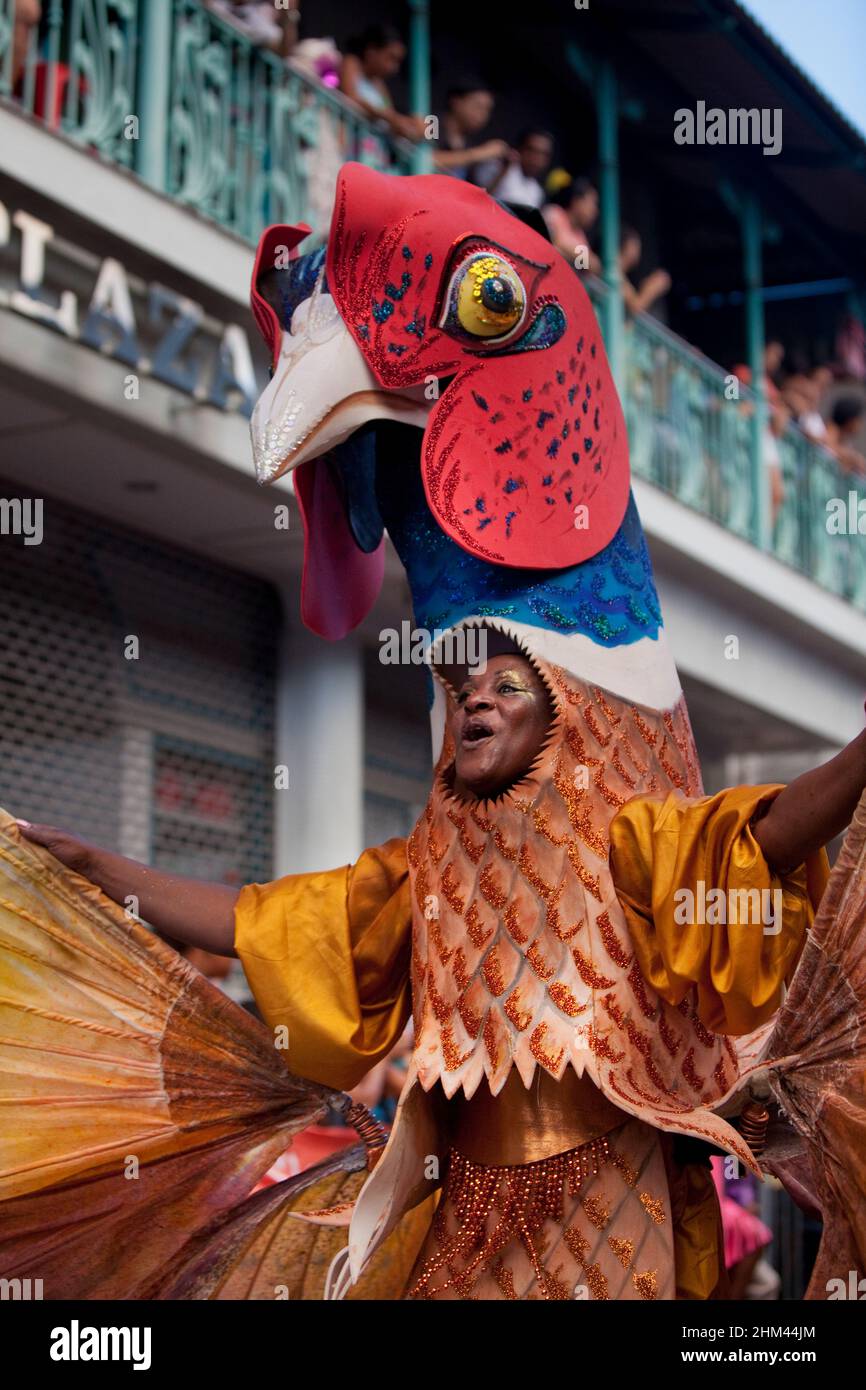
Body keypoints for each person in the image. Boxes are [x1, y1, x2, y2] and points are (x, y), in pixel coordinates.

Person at [16, 634, 866, 1299]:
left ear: (558, 716)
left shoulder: (633, 838)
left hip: (610, 1190)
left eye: (507, 688)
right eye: (468, 692)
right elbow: (259, 922)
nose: (477, 701)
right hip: (459, 1201)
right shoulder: (420, 869)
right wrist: (102, 872)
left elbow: (769, 834)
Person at [339, 23, 425, 144]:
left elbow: (389, 114)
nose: (395, 68)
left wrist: (407, 125)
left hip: (369, 147)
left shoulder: (379, 84)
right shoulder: (351, 63)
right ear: (372, 51)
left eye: (398, 62)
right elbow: (352, 99)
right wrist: (391, 118)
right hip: (346, 138)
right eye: (391, 58)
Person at [432, 81, 510, 182]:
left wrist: (503, 172)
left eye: (487, 110)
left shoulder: (468, 143)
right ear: (456, 102)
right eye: (478, 106)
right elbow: (427, 159)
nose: (483, 115)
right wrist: (481, 153)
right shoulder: (431, 122)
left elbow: (471, 191)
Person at [479, 127, 554, 208]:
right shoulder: (498, 165)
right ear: (520, 149)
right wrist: (503, 171)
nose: (536, 158)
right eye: (531, 150)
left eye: (543, 154)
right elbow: (479, 199)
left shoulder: (537, 192)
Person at [542, 175, 601, 273]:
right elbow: (549, 243)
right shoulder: (554, 213)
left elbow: (591, 266)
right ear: (576, 201)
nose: (595, 211)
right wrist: (577, 255)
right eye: (592, 203)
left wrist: (564, 250)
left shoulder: (580, 235)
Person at [619, 225, 671, 316]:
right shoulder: (608, 269)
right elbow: (635, 307)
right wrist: (651, 289)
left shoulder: (617, 274)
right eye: (634, 244)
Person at [825, 395, 866, 476]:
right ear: (850, 419)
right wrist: (854, 458)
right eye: (859, 419)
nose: (861, 424)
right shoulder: (830, 430)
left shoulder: (846, 443)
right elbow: (826, 447)